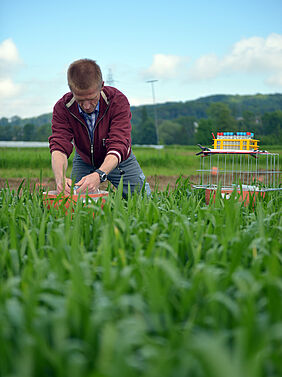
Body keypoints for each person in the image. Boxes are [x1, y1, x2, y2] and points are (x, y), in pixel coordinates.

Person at [49, 58, 151, 197]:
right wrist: (60, 179)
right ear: (71, 89)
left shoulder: (117, 101)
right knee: (74, 202)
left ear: (101, 86)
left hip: (118, 158)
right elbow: (59, 145)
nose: (86, 106)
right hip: (84, 158)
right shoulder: (63, 108)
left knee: (143, 200)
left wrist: (99, 174)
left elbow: (119, 142)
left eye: (91, 98)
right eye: (80, 100)